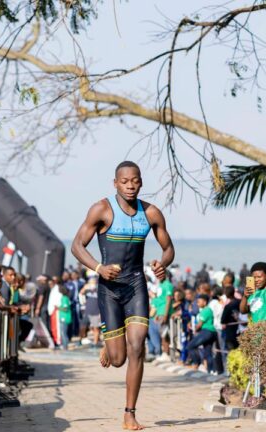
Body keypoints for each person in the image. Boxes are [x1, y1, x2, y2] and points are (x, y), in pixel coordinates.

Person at [71, 160, 175, 430]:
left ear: (141, 182)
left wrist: (162, 264)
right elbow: (76, 245)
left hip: (136, 285)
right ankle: (110, 344)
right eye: (125, 181)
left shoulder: (151, 213)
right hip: (109, 289)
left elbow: (168, 248)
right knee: (118, 360)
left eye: (136, 180)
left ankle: (130, 412)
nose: (131, 186)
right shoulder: (102, 209)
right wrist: (98, 268)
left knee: (137, 347)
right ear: (115, 183)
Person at [186, 294, 218, 373]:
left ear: (205, 302)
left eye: (199, 302)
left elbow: (199, 325)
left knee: (190, 346)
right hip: (210, 332)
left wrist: (194, 328)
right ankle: (210, 370)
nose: (197, 304)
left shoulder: (206, 310)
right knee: (208, 352)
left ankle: (198, 363)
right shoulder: (205, 310)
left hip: (207, 332)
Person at [219, 285, 241, 371]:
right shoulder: (240, 302)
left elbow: (222, 320)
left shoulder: (228, 306)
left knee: (231, 353)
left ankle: (233, 371)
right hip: (241, 331)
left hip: (230, 333)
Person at [80, 275, 102, 347]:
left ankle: (95, 342)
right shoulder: (87, 289)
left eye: (93, 281)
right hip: (87, 311)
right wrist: (85, 287)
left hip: (96, 311)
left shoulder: (99, 288)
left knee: (96, 328)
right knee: (85, 326)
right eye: (91, 281)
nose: (92, 282)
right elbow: (81, 293)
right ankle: (84, 339)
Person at [57, 284, 73, 350]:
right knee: (63, 332)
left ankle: (65, 347)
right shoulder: (65, 297)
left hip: (64, 318)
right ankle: (64, 346)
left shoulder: (64, 298)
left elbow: (65, 308)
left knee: (64, 333)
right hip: (63, 317)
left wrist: (58, 307)